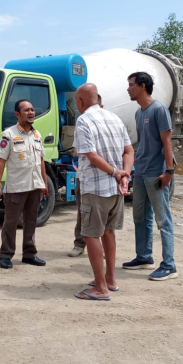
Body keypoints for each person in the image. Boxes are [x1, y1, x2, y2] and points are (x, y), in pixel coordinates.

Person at [72, 84, 133, 301]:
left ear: (80, 101)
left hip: (96, 188)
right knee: (108, 232)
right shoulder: (114, 118)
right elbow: (129, 150)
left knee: (90, 234)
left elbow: (90, 154)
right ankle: (110, 279)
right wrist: (124, 173)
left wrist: (117, 172)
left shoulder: (84, 120)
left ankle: (100, 288)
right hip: (116, 189)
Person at [122, 72, 178, 281]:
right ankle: (144, 256)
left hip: (156, 173)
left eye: (131, 85)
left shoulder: (159, 110)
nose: (128, 89)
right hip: (141, 172)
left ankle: (169, 265)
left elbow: (167, 142)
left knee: (163, 220)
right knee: (140, 217)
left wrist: (169, 171)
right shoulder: (139, 113)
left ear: (142, 86)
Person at [0, 100, 48, 269]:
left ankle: (29, 254)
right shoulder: (8, 134)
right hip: (16, 187)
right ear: (17, 114)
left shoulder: (37, 135)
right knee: (11, 222)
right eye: (26, 110)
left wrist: (44, 183)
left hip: (35, 186)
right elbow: (1, 161)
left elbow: (41, 161)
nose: (31, 112)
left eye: (32, 109)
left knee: (31, 221)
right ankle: (6, 255)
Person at [67, 94, 103, 257]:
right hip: (86, 176)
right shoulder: (83, 124)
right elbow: (77, 150)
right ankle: (79, 244)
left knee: (105, 214)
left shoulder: (110, 125)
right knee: (84, 212)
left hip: (105, 177)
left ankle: (101, 247)